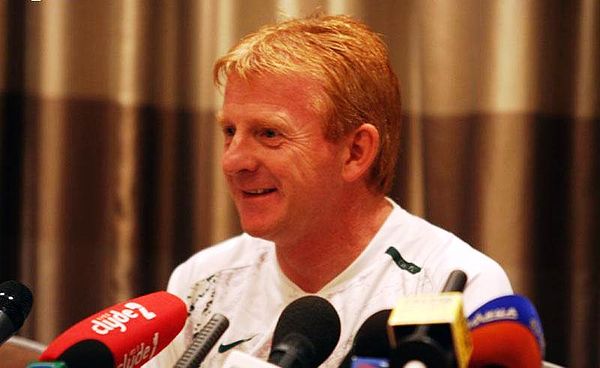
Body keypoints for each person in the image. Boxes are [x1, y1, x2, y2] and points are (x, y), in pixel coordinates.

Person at [145, 13, 512, 368]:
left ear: (355, 152)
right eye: (229, 132)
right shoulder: (200, 283)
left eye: (269, 134)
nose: (233, 161)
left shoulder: (456, 287)